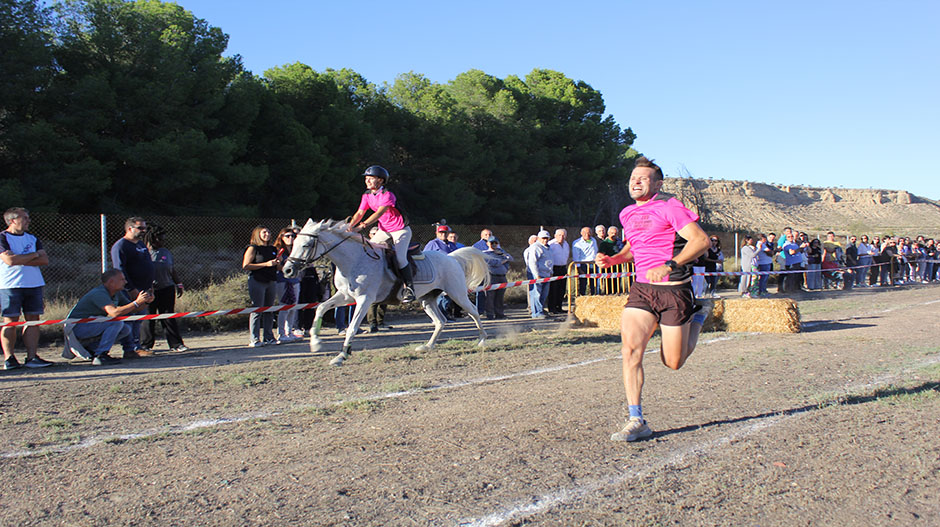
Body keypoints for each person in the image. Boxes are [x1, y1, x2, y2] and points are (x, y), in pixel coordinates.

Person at [596, 156, 711, 442]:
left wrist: (670, 265)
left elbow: (700, 242)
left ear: (657, 184)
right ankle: (636, 418)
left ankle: (697, 317)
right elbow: (634, 247)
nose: (636, 182)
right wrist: (613, 259)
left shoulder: (670, 207)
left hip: (674, 289)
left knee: (673, 362)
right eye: (633, 178)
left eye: (643, 178)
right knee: (630, 352)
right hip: (642, 290)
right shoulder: (626, 214)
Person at [347, 165, 415, 303]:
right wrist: (349, 226)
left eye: (370, 179)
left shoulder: (387, 194)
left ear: (380, 180)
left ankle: (409, 288)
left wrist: (362, 226)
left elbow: (379, 213)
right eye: (366, 179)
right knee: (368, 251)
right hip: (384, 230)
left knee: (401, 258)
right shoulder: (366, 195)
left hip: (400, 229)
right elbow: (360, 213)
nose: (367, 181)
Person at [1, 208, 52, 369]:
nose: (28, 221)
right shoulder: (3, 237)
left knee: (33, 320)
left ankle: (32, 357)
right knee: (10, 321)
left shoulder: (32, 238)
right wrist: (33, 255)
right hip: (11, 285)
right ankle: (9, 358)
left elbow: (44, 260)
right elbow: (9, 260)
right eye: (24, 218)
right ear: (12, 220)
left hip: (34, 284)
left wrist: (20, 258)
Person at [67, 269, 154, 365]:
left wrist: (145, 302)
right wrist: (137, 302)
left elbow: (132, 309)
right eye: (122, 279)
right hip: (77, 327)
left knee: (125, 329)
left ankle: (92, 349)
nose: (125, 282)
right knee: (116, 323)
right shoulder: (99, 293)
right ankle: (101, 355)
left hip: (91, 324)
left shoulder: (116, 293)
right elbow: (114, 313)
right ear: (111, 282)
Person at [110, 216, 155, 357]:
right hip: (129, 291)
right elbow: (120, 270)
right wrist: (131, 290)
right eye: (140, 228)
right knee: (130, 319)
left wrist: (150, 287)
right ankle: (130, 348)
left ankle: (137, 345)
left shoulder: (141, 245)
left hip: (144, 289)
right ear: (130, 228)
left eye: (145, 228)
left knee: (139, 319)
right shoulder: (121, 246)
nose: (144, 231)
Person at [140, 225, 188, 353]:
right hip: (150, 290)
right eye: (160, 239)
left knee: (168, 316)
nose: (162, 242)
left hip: (166, 288)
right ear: (152, 239)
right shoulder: (144, 253)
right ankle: (145, 345)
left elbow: (172, 270)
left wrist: (179, 284)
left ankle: (175, 344)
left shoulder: (165, 252)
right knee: (148, 318)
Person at [242, 225, 279, 347]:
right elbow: (246, 265)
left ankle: (268, 336)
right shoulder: (253, 248)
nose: (267, 234)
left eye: (268, 232)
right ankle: (254, 338)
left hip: (271, 280)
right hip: (257, 280)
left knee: (269, 309)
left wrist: (277, 264)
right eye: (264, 232)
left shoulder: (273, 249)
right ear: (257, 234)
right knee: (257, 309)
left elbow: (277, 266)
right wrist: (266, 264)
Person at [274, 227, 303, 343]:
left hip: (295, 281)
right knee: (284, 307)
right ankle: (281, 333)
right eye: (287, 236)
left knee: (293, 307)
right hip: (283, 281)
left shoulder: (296, 250)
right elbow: (277, 266)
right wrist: (284, 266)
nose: (291, 238)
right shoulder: (279, 250)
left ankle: (289, 331)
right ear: (281, 237)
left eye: (292, 236)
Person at [523, 230, 553, 319]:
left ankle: (541, 310)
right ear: (539, 238)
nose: (545, 240)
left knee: (544, 294)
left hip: (546, 275)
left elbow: (550, 260)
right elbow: (532, 262)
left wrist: (551, 272)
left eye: (547, 238)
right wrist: (536, 275)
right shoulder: (535, 247)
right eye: (543, 238)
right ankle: (536, 313)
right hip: (537, 275)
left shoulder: (548, 248)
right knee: (536, 294)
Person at [482, 235, 513, 319]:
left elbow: (511, 258)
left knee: (500, 297)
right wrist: (503, 260)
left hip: (502, 276)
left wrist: (503, 255)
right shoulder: (485, 253)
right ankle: (490, 314)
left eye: (496, 243)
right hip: (492, 277)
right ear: (488, 243)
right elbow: (492, 263)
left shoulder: (500, 252)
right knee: (490, 297)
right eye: (492, 243)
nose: (494, 245)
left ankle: (499, 314)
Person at [546, 228, 570, 314]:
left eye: (563, 235)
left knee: (561, 289)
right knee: (553, 289)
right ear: (555, 236)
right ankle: (552, 308)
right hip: (554, 268)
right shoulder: (551, 244)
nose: (561, 237)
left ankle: (559, 307)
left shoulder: (566, 244)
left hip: (563, 268)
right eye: (559, 235)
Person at [572, 226, 599, 295]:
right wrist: (579, 268)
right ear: (581, 233)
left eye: (589, 232)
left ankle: (594, 296)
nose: (587, 234)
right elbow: (576, 257)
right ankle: (582, 297)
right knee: (583, 283)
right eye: (585, 233)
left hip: (593, 264)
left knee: (594, 283)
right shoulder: (577, 243)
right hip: (583, 265)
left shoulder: (593, 240)